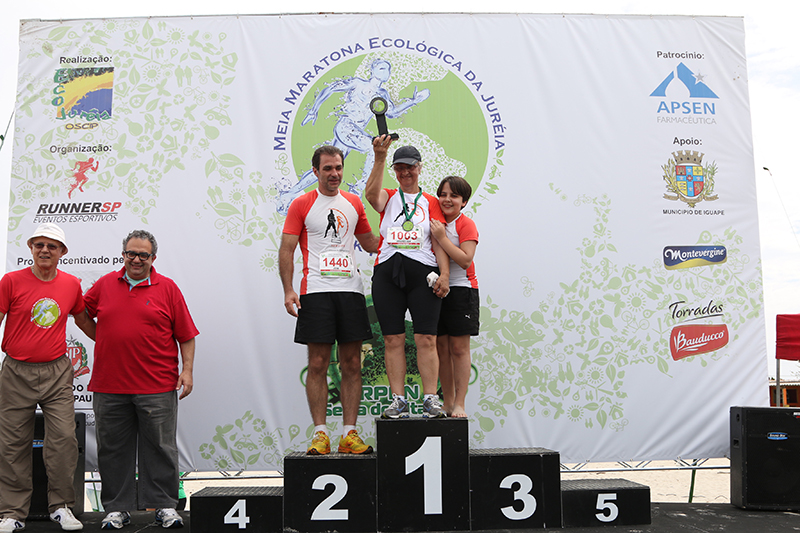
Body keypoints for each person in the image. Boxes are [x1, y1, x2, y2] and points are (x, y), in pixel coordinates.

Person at [84, 230, 198, 530]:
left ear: (153, 258)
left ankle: (164, 506)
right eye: (131, 253)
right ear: (123, 255)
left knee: (161, 448)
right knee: (112, 450)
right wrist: (103, 337)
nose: (136, 259)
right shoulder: (104, 284)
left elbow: (186, 335)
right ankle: (117, 509)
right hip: (109, 385)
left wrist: (187, 371)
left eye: (143, 255)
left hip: (157, 386)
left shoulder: (168, 288)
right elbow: (82, 313)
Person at [280, 145, 380, 455]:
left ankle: (349, 433)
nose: (334, 174)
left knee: (352, 363)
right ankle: (320, 433)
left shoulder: (353, 202)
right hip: (316, 291)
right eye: (327, 168)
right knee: (318, 363)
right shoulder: (301, 204)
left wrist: (405, 234)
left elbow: (370, 242)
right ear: (315, 171)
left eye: (338, 167)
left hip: (350, 291)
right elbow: (286, 249)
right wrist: (288, 290)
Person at [0, 223, 95, 533]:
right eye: (39, 244)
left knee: (65, 439)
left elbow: (83, 319)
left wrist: (113, 342)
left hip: (56, 372)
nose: (44, 250)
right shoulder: (10, 281)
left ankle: (61, 507)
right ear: (30, 248)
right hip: (16, 371)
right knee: (13, 443)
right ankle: (12, 512)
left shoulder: (71, 284)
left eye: (51, 246)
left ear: (62, 252)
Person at [364, 135, 450, 419]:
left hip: (423, 273)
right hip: (388, 272)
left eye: (410, 167)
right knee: (393, 338)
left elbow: (439, 240)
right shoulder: (389, 196)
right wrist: (380, 157)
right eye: (399, 168)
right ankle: (398, 400)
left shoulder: (431, 202)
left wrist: (445, 275)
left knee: (426, 338)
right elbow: (371, 196)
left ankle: (430, 399)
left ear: (420, 168)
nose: (405, 172)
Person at [276, 58, 430, 214]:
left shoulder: (382, 94)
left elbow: (392, 112)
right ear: (372, 70)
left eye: (388, 70)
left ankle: (289, 193)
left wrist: (414, 101)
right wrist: (313, 110)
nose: (386, 73)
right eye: (382, 68)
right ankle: (357, 190)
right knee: (373, 149)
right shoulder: (358, 83)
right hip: (346, 126)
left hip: (354, 132)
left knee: (327, 168)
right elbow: (331, 88)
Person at [430, 177, 480, 418]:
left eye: (454, 196)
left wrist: (442, 237)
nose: (447, 200)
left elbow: (465, 259)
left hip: (462, 290)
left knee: (459, 348)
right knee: (441, 348)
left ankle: (460, 403)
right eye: (443, 194)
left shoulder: (465, 224)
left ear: (464, 202)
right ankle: (448, 402)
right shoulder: (433, 222)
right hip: (438, 290)